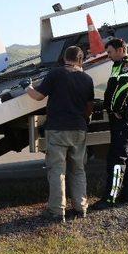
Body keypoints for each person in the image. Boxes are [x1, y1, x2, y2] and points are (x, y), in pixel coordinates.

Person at [21, 46, 95, 222]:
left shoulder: (56, 74)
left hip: (58, 129)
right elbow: (89, 106)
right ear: (81, 60)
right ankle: (81, 208)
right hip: (79, 129)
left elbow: (38, 96)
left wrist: (27, 87)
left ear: (64, 58)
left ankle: (57, 211)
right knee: (78, 170)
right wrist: (84, 120)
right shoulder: (87, 78)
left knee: (57, 171)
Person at [91, 38, 128, 210]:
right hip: (125, 117)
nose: (109, 56)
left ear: (121, 49)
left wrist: (115, 109)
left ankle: (111, 198)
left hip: (124, 117)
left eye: (110, 52)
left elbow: (123, 88)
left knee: (117, 157)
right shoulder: (118, 65)